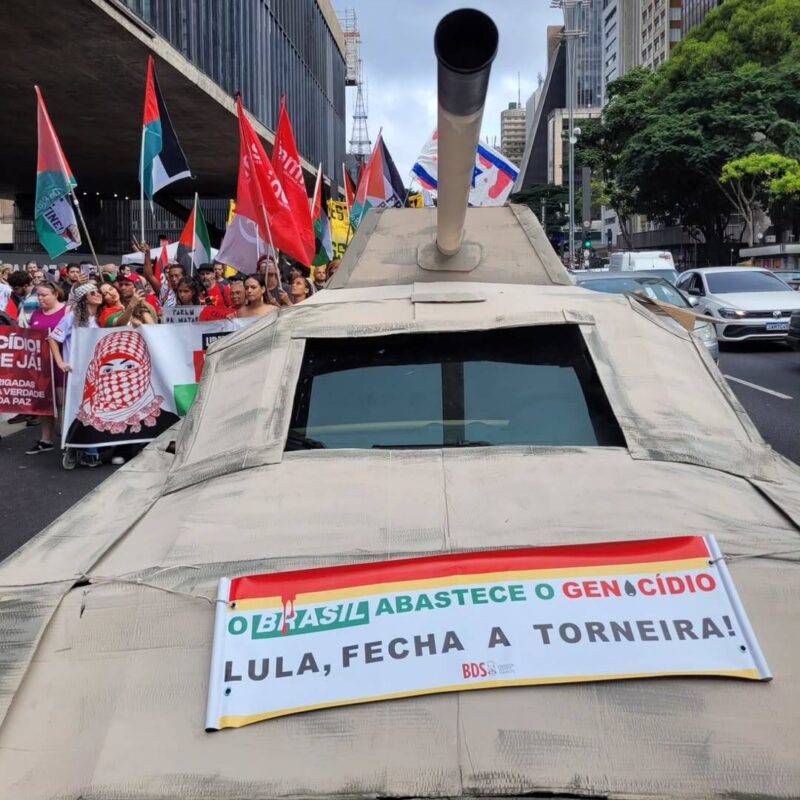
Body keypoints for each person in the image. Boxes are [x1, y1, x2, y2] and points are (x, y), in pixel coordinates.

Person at [49, 282, 103, 469]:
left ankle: (89, 451)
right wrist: (61, 362)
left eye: (98, 292)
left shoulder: (98, 318)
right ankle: (74, 447)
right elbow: (53, 339)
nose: (98, 294)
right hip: (76, 372)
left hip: (95, 372)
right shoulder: (72, 317)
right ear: (84, 298)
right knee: (77, 410)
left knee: (93, 411)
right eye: (93, 293)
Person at [24, 282, 68, 454]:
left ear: (56, 294)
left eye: (44, 295)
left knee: (63, 402)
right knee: (46, 403)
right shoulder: (36, 313)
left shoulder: (67, 311)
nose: (40, 298)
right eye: (38, 295)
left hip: (61, 363)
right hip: (41, 365)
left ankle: (67, 440)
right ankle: (46, 439)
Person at [137, 240, 184, 307]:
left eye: (177, 276)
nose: (173, 279)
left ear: (183, 276)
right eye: (171, 276)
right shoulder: (164, 291)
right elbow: (149, 275)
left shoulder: (192, 292)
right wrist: (147, 253)